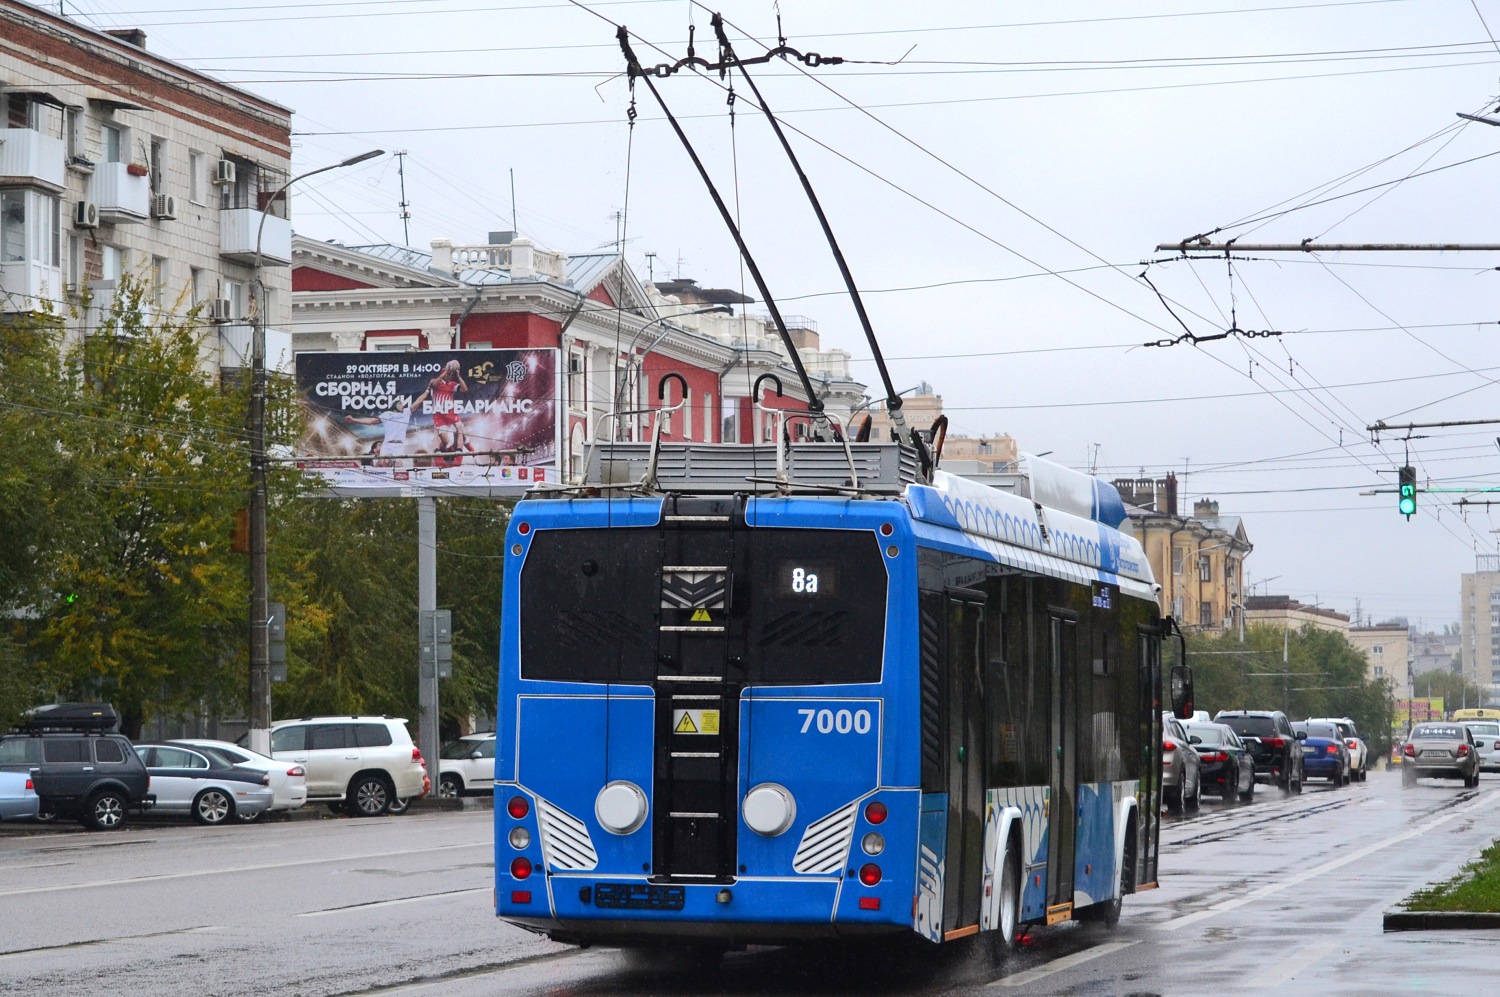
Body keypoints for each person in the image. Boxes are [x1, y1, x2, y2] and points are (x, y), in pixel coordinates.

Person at [343, 397, 415, 468]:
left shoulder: (406, 412)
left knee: (398, 465)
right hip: (387, 444)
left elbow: (418, 402)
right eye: (400, 404)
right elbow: (371, 421)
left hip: (399, 445)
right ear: (395, 405)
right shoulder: (387, 414)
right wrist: (354, 420)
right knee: (382, 463)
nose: (402, 405)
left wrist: (427, 391)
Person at [426, 359, 472, 463]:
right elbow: (434, 385)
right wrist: (446, 371)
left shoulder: (452, 384)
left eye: (451, 375)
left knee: (460, 427)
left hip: (450, 412)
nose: (449, 376)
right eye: (448, 374)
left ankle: (460, 450)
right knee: (442, 437)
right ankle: (444, 453)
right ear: (443, 373)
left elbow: (464, 389)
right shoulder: (435, 381)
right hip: (439, 413)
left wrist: (458, 376)